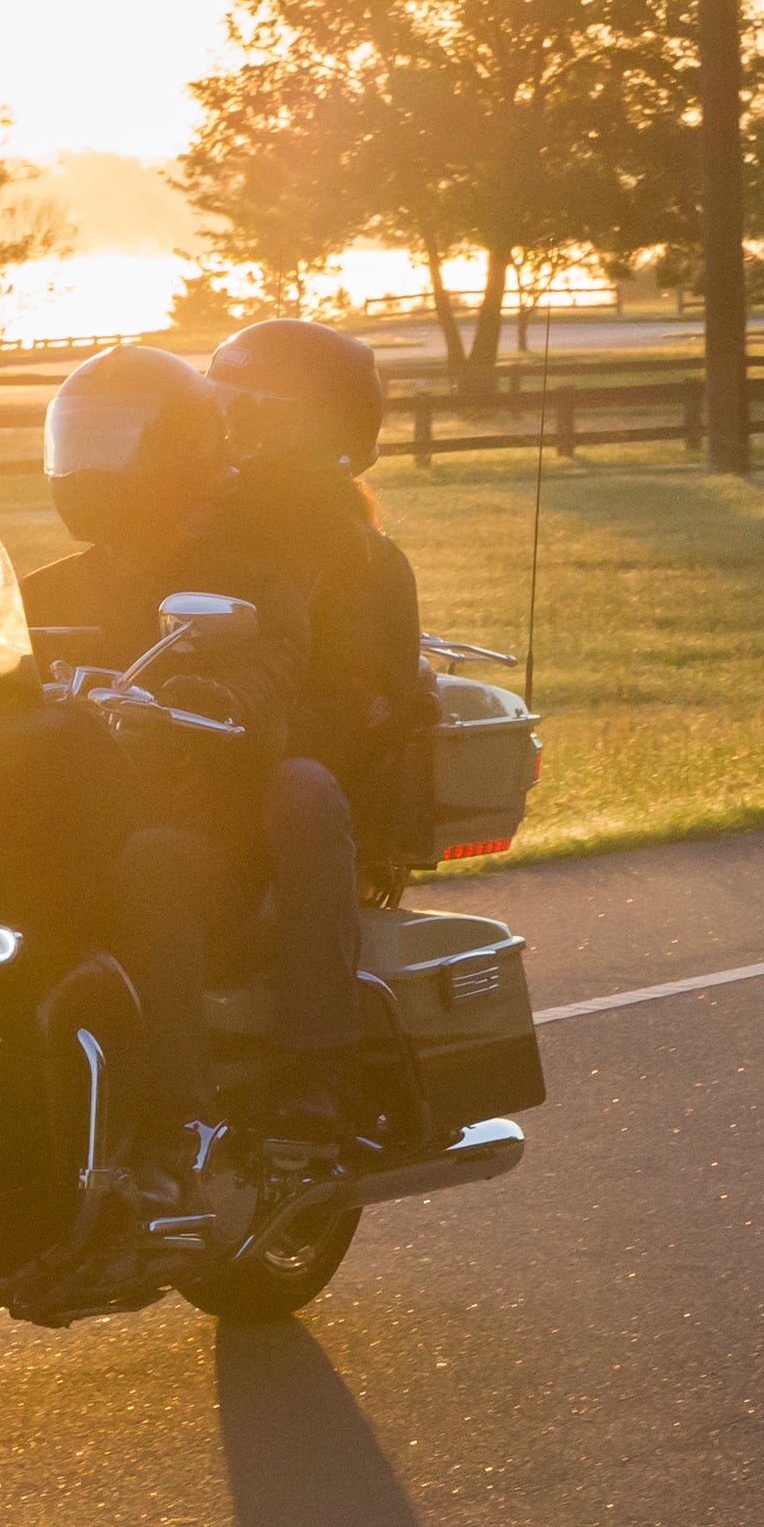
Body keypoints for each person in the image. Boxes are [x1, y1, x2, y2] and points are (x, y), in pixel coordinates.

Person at [23, 345, 267, 1209]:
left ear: (181, 455)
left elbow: (267, 673)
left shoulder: (238, 582)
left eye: (117, 442)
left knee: (152, 865)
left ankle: (183, 1123)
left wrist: (208, 691)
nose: (93, 466)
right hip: (74, 820)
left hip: (215, 833)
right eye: (80, 441)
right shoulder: (45, 590)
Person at [184, 318, 430, 1140]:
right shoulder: (193, 527)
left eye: (256, 411)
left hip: (299, 780)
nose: (233, 429)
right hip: (193, 759)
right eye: (228, 408)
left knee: (302, 789)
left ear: (316, 426)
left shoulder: (362, 557)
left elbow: (378, 705)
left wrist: (260, 730)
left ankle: (317, 1063)